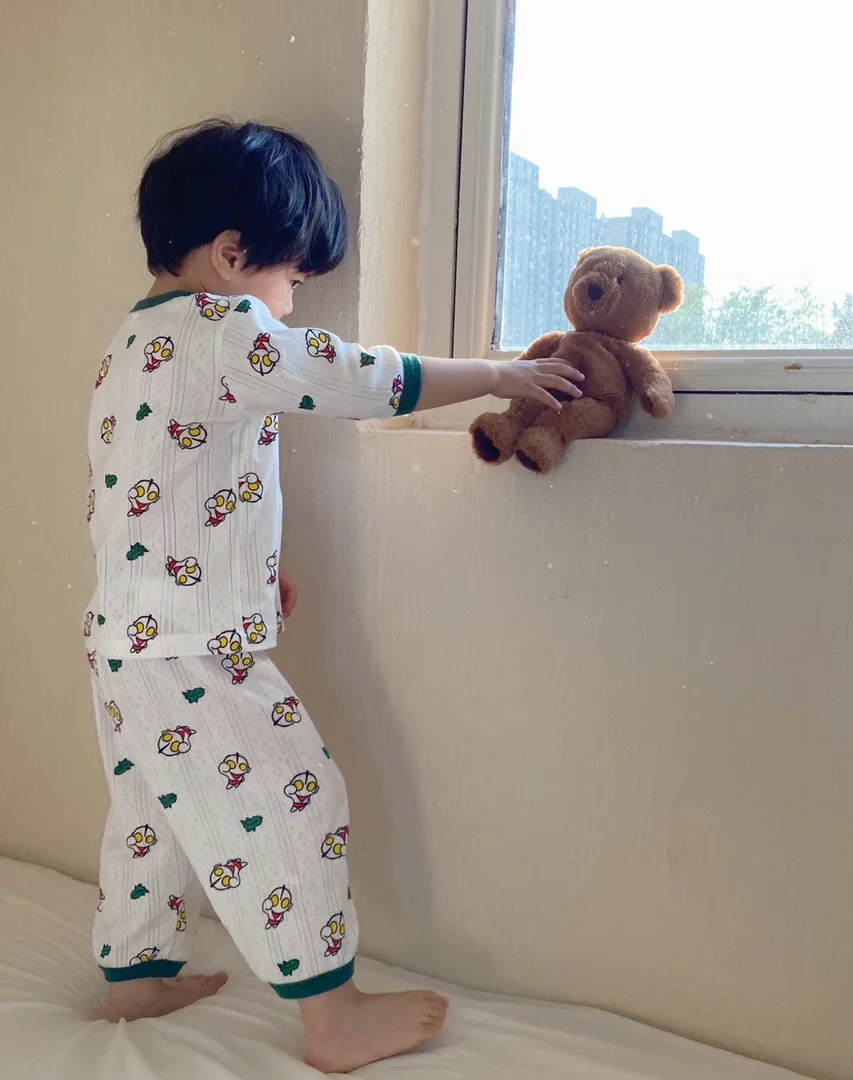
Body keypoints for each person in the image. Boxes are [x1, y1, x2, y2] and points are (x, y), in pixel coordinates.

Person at [84, 118, 583, 1073]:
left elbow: (150, 490)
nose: (292, 302)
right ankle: (332, 1014)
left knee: (149, 811)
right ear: (233, 256)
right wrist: (500, 373)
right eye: (293, 280)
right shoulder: (225, 329)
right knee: (295, 796)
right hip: (189, 644)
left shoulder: (129, 345)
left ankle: (135, 978)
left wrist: (247, 570)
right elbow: (355, 378)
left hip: (122, 638)